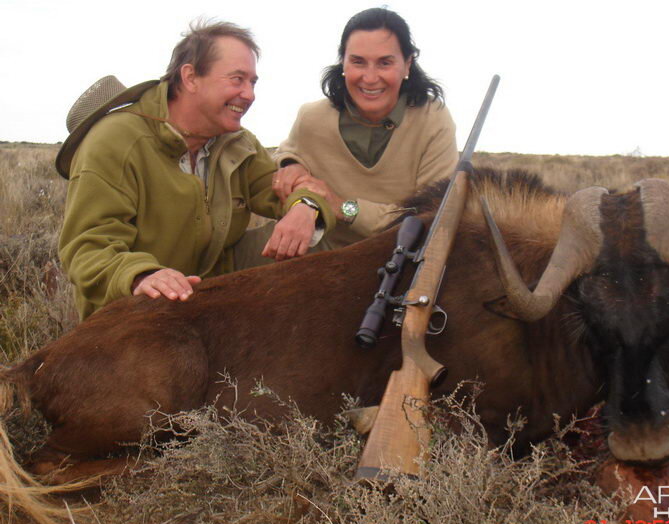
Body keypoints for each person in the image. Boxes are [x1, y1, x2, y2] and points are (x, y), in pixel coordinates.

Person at [56, 21, 334, 320]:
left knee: (314, 241)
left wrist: (305, 207)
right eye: (237, 79)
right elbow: (87, 247)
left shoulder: (237, 142)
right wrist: (141, 276)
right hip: (135, 310)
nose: (250, 94)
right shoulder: (115, 141)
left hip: (209, 291)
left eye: (253, 82)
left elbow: (287, 189)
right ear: (190, 77)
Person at [272, 7, 458, 250]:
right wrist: (290, 167)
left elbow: (428, 216)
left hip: (403, 259)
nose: (370, 78)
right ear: (343, 63)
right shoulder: (312, 118)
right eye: (358, 62)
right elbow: (286, 155)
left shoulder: (433, 119)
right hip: (323, 257)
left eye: (384, 63)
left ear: (407, 64)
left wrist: (343, 207)